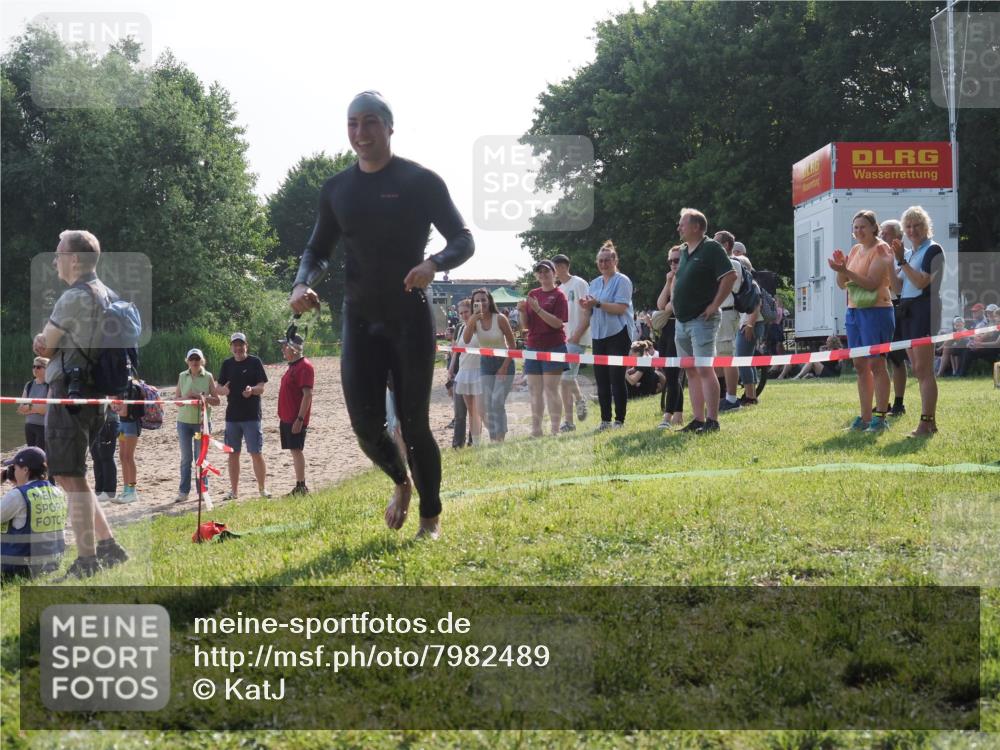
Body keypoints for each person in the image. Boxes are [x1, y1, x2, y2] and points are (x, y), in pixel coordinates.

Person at [288, 90, 474, 540]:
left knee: (415, 424)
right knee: (365, 426)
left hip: (409, 317)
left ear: (389, 127)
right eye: (353, 124)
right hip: (360, 320)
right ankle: (400, 481)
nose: (360, 133)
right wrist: (301, 283)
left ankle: (430, 517)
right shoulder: (337, 189)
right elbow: (317, 248)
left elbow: (463, 240)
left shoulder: (420, 181)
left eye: (370, 122)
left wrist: (433, 265)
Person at [31, 229, 128, 578]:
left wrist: (43, 341)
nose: (55, 259)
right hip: (93, 395)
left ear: (74, 259)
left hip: (68, 394)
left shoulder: (73, 297)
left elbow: (45, 347)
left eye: (58, 254)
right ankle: (109, 546)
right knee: (76, 476)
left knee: (69, 476)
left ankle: (86, 560)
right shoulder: (107, 293)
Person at [828, 210, 895, 433]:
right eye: (855, 227)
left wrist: (845, 270)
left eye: (863, 226)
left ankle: (880, 416)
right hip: (854, 312)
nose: (858, 231)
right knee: (859, 365)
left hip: (876, 311)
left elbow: (871, 284)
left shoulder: (881, 249)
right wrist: (841, 269)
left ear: (874, 228)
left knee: (877, 364)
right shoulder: (856, 249)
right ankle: (865, 417)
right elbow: (842, 284)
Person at [671, 209, 737, 433]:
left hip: (702, 320)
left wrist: (714, 305)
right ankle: (698, 419)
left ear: (696, 227)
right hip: (682, 321)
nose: (679, 227)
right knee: (690, 371)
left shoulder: (711, 248)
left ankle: (712, 421)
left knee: (704, 368)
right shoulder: (683, 250)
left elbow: (729, 276)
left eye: (682, 224)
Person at [890, 206, 945, 436]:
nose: (912, 230)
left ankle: (926, 423)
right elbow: (899, 288)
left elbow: (922, 282)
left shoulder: (933, 250)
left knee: (923, 370)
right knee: (918, 371)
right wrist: (889, 263)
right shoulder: (910, 254)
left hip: (924, 309)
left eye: (917, 225)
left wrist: (901, 261)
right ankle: (928, 423)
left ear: (926, 227)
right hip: (908, 311)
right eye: (908, 226)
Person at [573, 241, 635, 430]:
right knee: (601, 379)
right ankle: (605, 420)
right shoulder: (594, 283)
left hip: (618, 333)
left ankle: (619, 421)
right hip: (599, 335)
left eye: (607, 260)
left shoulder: (622, 280)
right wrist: (585, 309)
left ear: (615, 260)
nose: (603, 263)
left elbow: (620, 308)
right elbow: (590, 311)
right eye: (600, 260)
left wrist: (597, 304)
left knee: (616, 378)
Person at [518, 260, 569, 437]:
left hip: (554, 346)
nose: (543, 274)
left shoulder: (559, 295)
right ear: (536, 275)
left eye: (546, 271)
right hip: (533, 347)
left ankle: (555, 430)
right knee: (534, 390)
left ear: (554, 273)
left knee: (551, 389)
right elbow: (525, 326)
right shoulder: (532, 294)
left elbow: (558, 323)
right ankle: (536, 430)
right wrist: (523, 312)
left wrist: (538, 310)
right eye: (539, 271)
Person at [216, 332, 270, 499]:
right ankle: (234, 491)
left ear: (246, 345)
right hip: (232, 417)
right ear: (231, 347)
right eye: (235, 345)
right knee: (233, 454)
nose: (238, 348)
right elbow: (219, 387)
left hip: (252, 416)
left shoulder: (255, 362)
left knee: (256, 452)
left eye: (241, 344)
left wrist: (252, 390)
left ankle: (262, 490)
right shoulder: (227, 364)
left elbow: (262, 387)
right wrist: (222, 390)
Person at [1, 447, 66, 582]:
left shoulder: (18, 495)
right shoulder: (57, 492)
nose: (13, 472)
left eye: (15, 468)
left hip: (17, 568)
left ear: (25, 470)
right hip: (51, 564)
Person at [467, 288, 516, 442]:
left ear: (489, 301)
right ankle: (494, 438)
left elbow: (513, 345)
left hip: (504, 361)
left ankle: (500, 438)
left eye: (483, 299)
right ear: (473, 304)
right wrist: (471, 321)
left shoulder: (500, 318)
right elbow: (467, 340)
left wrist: (504, 367)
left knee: (497, 401)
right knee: (488, 403)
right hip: (486, 363)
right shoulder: (474, 321)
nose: (481, 303)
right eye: (477, 301)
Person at [175, 348, 221, 503]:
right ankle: (183, 492)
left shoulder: (208, 376)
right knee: (185, 458)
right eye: (191, 359)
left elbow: (217, 401)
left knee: (200, 458)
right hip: (183, 423)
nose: (194, 362)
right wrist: (186, 398)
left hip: (202, 424)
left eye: (197, 359)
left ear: (202, 360)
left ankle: (202, 490)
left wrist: (203, 398)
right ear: (187, 361)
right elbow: (177, 401)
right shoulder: (182, 376)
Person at [553, 253, 591, 430]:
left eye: (555, 268)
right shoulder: (558, 289)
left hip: (577, 337)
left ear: (563, 267)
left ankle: (569, 422)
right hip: (563, 339)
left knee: (565, 378)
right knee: (567, 377)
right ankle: (580, 399)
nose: (553, 272)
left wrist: (577, 334)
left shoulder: (579, 283)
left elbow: (587, 310)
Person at [277, 332, 314, 495]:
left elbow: (307, 395)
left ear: (294, 348)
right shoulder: (293, 366)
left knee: (297, 450)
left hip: (295, 418)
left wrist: (300, 419)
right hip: (287, 417)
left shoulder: (304, 366)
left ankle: (301, 486)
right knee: (294, 450)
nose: (283, 349)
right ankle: (299, 485)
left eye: (285, 346)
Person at [880, 219, 909, 417]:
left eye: (887, 233)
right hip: (879, 309)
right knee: (880, 359)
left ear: (898, 237)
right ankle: (883, 402)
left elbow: (897, 286)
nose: (882, 237)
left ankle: (899, 404)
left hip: (897, 308)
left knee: (897, 359)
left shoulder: (905, 257)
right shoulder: (878, 254)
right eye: (881, 233)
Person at [712, 230, 744, 412]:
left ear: (725, 245)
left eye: (716, 243)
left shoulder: (732, 263)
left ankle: (732, 399)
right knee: (719, 357)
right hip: (721, 314)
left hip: (727, 313)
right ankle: (723, 396)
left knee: (727, 357)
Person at [654, 245, 685, 429]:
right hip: (667, 329)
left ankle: (668, 415)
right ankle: (678, 414)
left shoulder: (685, 278)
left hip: (680, 327)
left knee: (674, 375)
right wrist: (667, 282)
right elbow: (660, 304)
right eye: (670, 260)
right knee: (670, 373)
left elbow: (670, 307)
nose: (673, 264)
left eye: (677, 260)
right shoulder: (672, 279)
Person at [733, 255, 764, 406]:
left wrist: (750, 325)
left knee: (743, 361)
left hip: (750, 325)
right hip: (746, 324)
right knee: (747, 361)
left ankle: (751, 397)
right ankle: (750, 394)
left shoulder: (752, 284)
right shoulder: (746, 285)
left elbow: (757, 306)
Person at [446, 300, 474, 449]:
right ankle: (457, 445)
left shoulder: (479, 326)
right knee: (459, 413)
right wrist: (450, 369)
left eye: (466, 312)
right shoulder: (460, 327)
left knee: (473, 411)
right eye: (461, 313)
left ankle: (473, 441)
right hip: (460, 372)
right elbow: (456, 350)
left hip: (475, 372)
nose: (463, 315)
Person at [110, 387, 141, 503]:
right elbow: (113, 406)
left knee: (129, 456)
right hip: (122, 425)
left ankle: (132, 491)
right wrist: (116, 406)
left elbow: (123, 411)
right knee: (122, 456)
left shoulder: (129, 388)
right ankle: (126, 489)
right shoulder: (120, 389)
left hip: (131, 425)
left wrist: (116, 407)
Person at [18, 357, 49, 451]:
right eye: (33, 366)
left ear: (46, 369)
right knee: (32, 455)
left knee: (41, 456)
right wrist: (37, 407)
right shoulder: (29, 384)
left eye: (39, 367)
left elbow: (46, 410)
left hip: (43, 427)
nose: (35, 369)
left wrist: (29, 407)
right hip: (29, 426)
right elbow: (21, 409)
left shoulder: (50, 385)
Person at [90, 407, 118, 503]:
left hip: (108, 421)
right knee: (96, 458)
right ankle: (99, 490)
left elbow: (113, 403)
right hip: (93, 422)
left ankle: (109, 491)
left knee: (106, 457)